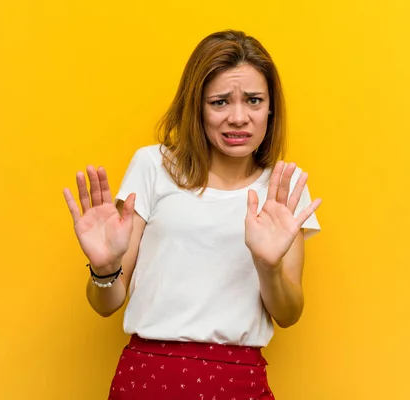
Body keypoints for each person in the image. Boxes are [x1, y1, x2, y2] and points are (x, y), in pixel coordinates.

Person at [63, 29, 322, 400]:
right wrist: (105, 269)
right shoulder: (153, 166)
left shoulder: (283, 188)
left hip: (239, 382)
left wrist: (268, 266)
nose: (238, 117)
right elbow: (106, 303)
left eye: (253, 100)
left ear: (270, 108)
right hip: (148, 378)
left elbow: (288, 313)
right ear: (196, 107)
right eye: (219, 102)